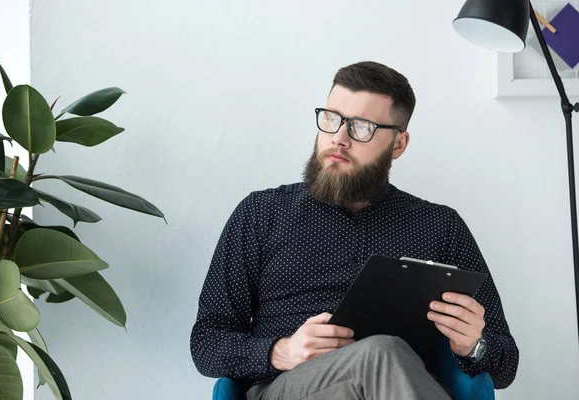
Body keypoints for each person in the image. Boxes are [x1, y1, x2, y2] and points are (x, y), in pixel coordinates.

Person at [190, 61, 519, 400]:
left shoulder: (440, 226)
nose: (339, 138)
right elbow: (206, 342)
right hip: (290, 389)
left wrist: (473, 345)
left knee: (386, 355)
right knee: (380, 354)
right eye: (332, 118)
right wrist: (284, 351)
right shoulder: (261, 214)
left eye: (362, 127)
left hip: (400, 388)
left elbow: (506, 364)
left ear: (398, 145)